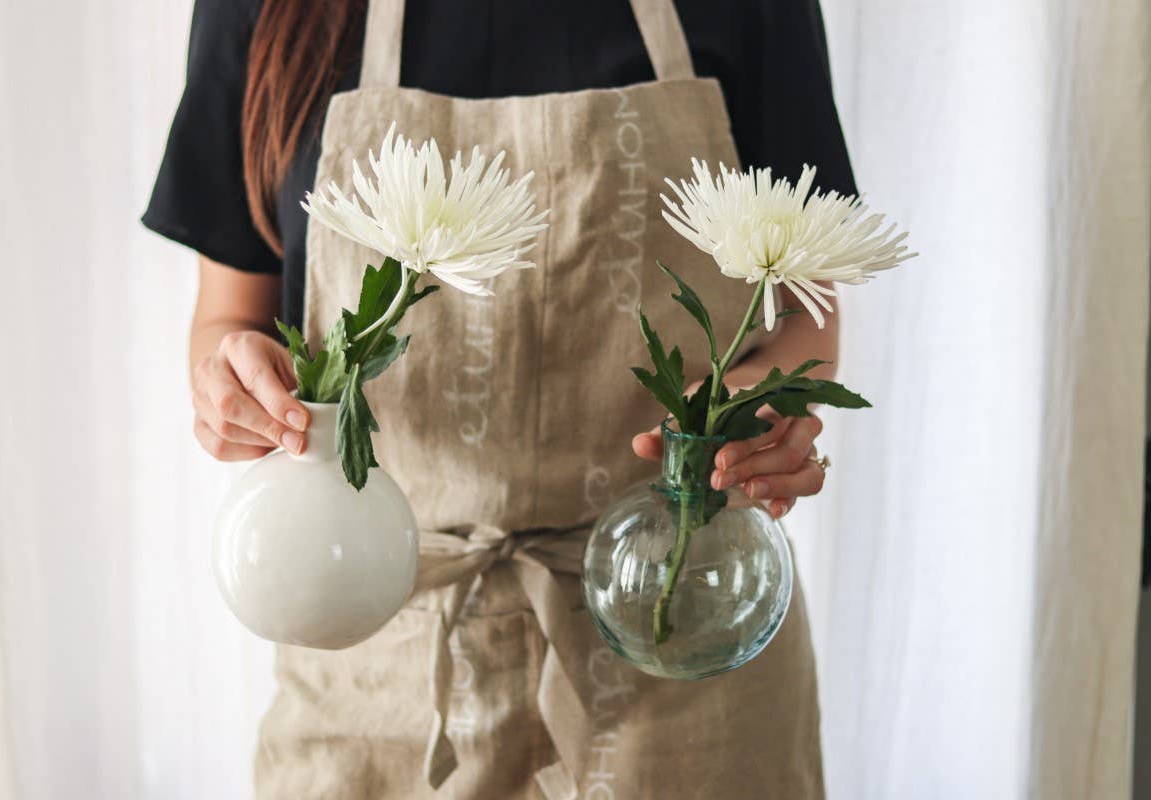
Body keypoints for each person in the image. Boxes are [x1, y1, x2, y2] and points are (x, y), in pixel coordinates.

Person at [143, 0, 855, 797]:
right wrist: (233, 380)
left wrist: (755, 414)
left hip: (683, 636)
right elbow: (230, 316)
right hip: (374, 667)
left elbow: (806, 318)